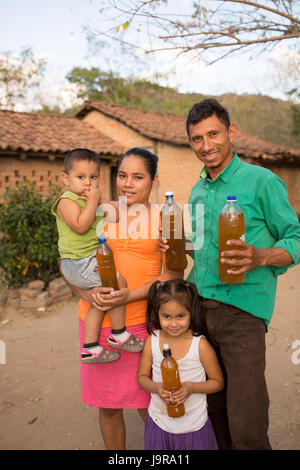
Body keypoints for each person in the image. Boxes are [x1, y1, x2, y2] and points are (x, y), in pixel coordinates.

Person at [160, 99, 300, 450]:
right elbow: (204, 249)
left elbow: (295, 238)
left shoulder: (262, 181)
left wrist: (261, 255)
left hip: (243, 313)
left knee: (247, 419)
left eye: (213, 134)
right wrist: (177, 247)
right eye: (196, 139)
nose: (206, 146)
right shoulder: (196, 192)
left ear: (231, 131)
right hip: (199, 309)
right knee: (211, 409)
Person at [63, 147, 182, 450]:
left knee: (150, 404)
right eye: (122, 175)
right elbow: (69, 260)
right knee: (109, 406)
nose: (128, 184)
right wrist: (85, 293)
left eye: (138, 177)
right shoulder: (99, 210)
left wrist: (128, 296)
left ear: (154, 182)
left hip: (142, 324)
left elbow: (173, 274)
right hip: (97, 322)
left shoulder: (166, 215)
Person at [52, 148, 144, 364]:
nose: (87, 183)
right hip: (78, 263)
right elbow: (81, 226)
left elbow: (114, 216)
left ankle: (90, 347)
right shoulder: (66, 201)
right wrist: (93, 201)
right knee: (119, 281)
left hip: (86, 262)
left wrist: (101, 198)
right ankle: (119, 333)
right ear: (66, 178)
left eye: (93, 177)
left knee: (100, 300)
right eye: (81, 177)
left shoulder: (93, 198)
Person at [137, 279, 224, 450]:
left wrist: (191, 387)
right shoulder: (152, 341)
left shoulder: (200, 345)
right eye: (167, 317)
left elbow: (218, 382)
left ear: (191, 312)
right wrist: (156, 388)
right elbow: (141, 377)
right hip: (160, 423)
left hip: (193, 426)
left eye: (181, 316)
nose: (174, 324)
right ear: (157, 313)